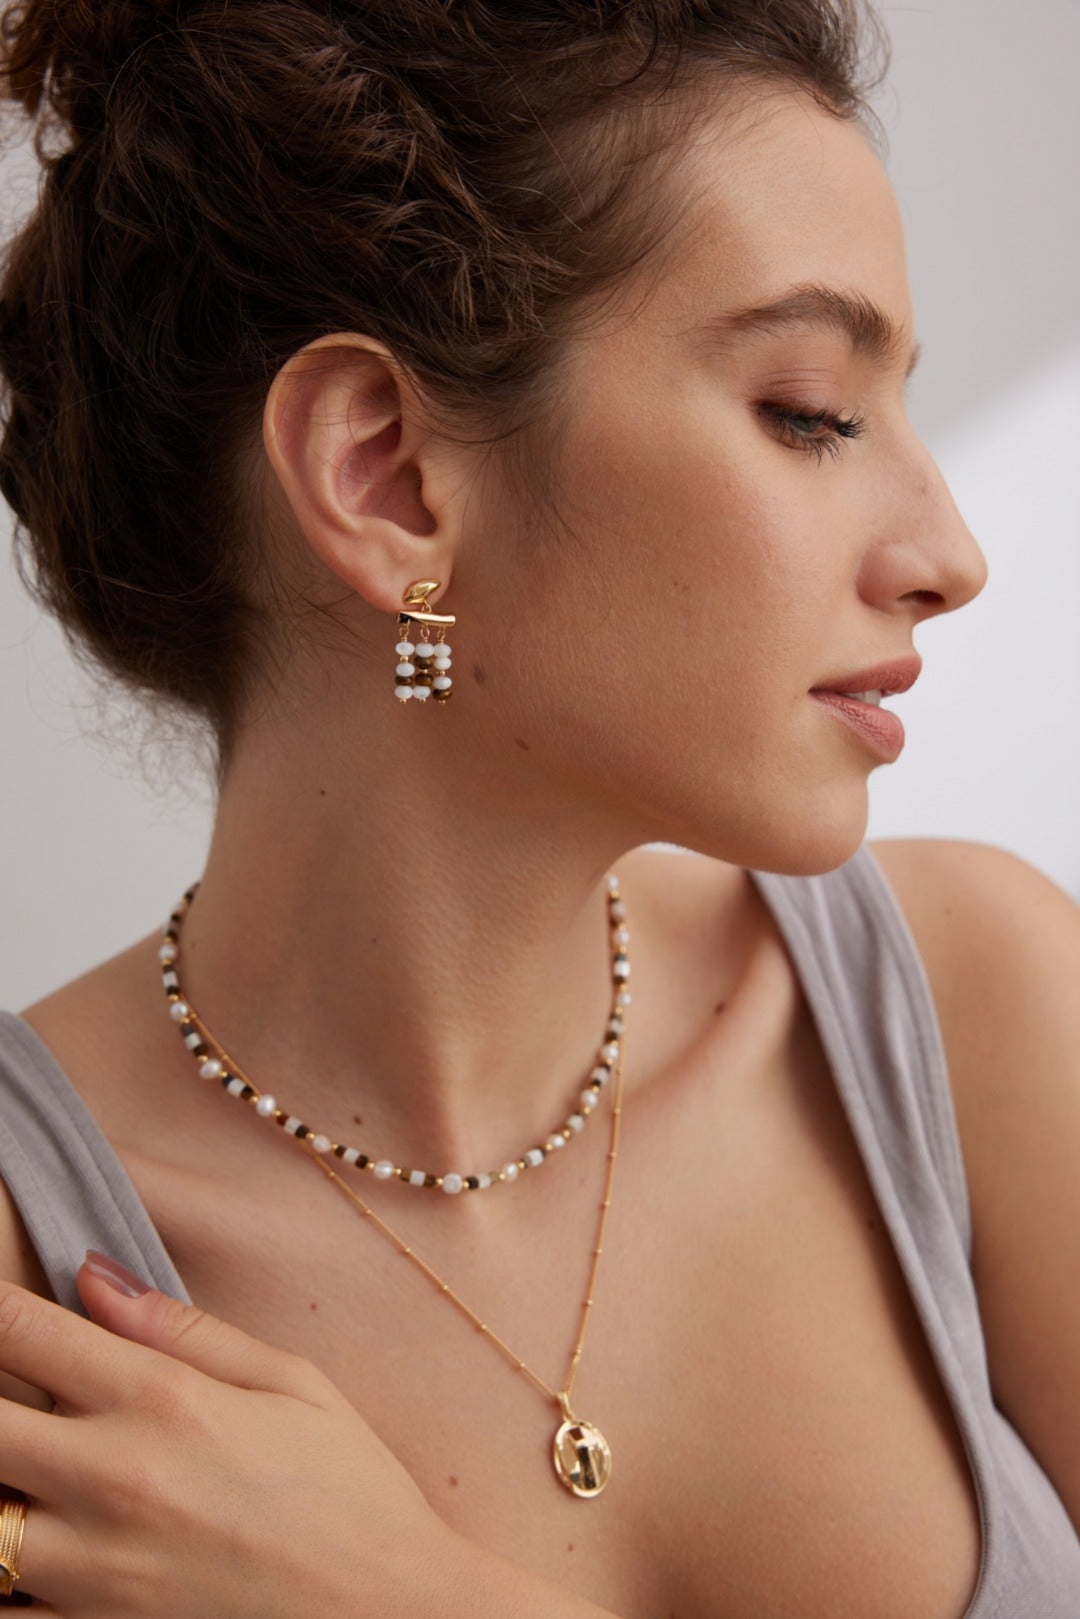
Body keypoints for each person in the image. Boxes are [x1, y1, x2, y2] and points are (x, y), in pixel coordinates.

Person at [0, 0, 1076, 1613]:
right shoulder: (44, 1298)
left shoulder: (983, 1003)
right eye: (811, 412)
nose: (949, 552)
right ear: (389, 475)